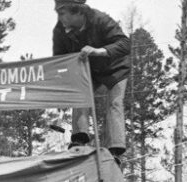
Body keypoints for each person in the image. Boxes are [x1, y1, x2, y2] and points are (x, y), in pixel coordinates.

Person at [52, 0, 130, 163]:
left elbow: (125, 44)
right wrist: (62, 91)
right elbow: (60, 62)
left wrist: (99, 51)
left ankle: (115, 150)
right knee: (79, 95)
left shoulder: (100, 20)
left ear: (77, 12)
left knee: (114, 104)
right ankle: (79, 140)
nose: (59, 18)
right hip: (88, 71)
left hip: (115, 68)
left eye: (62, 13)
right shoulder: (60, 30)